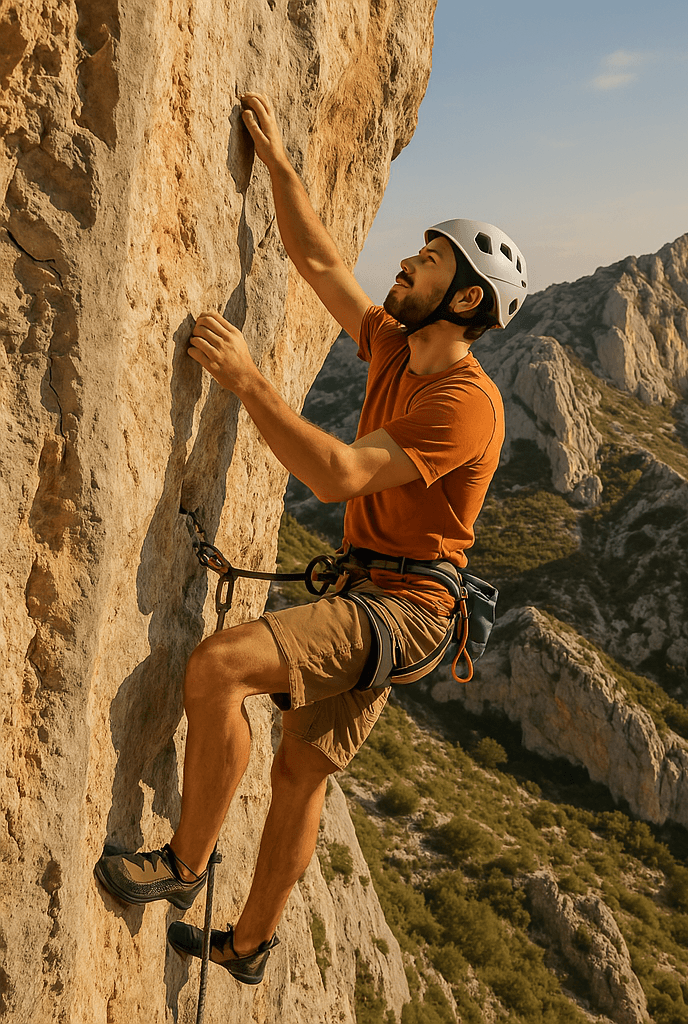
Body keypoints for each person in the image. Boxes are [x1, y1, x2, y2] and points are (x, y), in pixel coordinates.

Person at [94, 92, 528, 985]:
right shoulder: (396, 348)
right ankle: (248, 946)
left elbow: (337, 474)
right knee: (300, 771)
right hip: (382, 592)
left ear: (468, 299)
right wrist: (281, 162)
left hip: (405, 608)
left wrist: (249, 380)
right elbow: (320, 258)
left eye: (430, 260)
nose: (406, 261)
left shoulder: (467, 403)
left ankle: (181, 867)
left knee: (219, 667)